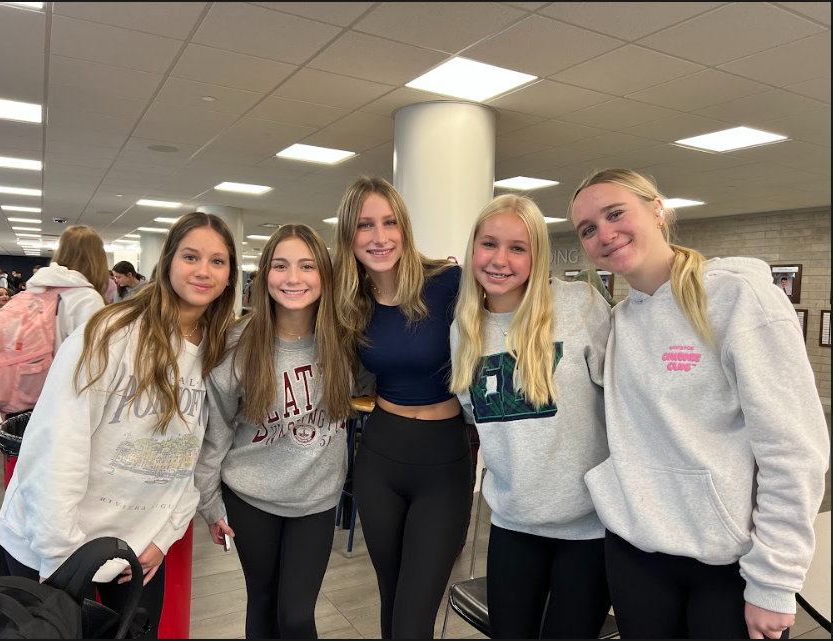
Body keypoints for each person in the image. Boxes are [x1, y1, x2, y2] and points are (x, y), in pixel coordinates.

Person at [569, 168, 829, 640]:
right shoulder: (620, 321)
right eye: (588, 229)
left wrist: (774, 580)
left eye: (615, 213)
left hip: (728, 562)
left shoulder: (738, 298)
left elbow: (793, 449)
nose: (604, 234)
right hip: (634, 553)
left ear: (657, 209)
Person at [0, 212, 238, 638]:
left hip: (136, 554)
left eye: (218, 261)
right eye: (191, 256)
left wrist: (164, 535)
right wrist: (63, 558)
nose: (203, 271)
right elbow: (56, 449)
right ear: (167, 263)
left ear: (231, 275)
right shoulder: (109, 334)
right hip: (50, 551)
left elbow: (188, 460)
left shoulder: (216, 352)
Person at [450, 194, 612, 638]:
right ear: (473, 250)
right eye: (489, 244)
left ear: (537, 256)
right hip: (513, 525)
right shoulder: (464, 328)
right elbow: (475, 416)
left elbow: (627, 404)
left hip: (590, 529)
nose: (500, 259)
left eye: (518, 248)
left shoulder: (580, 306)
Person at [195, 225, 354, 639]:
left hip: (316, 501)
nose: (293, 278)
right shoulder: (238, 344)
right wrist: (210, 502)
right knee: (263, 605)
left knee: (297, 615)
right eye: (280, 266)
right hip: (250, 497)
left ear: (324, 275)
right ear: (264, 275)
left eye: (307, 266)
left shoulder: (346, 342)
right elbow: (217, 431)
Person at [333, 176, 472, 639]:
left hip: (444, 460)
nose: (379, 237)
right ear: (349, 236)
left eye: (390, 222)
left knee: (414, 617)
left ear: (405, 228)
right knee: (392, 600)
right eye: (364, 225)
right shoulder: (350, 302)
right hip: (381, 457)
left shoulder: (449, 283)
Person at [24, 226, 110, 356]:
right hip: (63, 374)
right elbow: (93, 356)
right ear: (98, 257)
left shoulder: (37, 287)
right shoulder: (87, 298)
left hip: (29, 371)